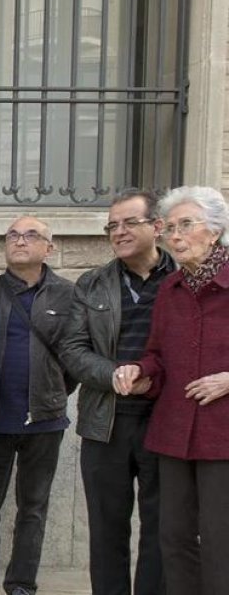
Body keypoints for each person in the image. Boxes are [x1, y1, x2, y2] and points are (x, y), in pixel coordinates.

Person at [114, 185, 229, 595]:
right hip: (174, 432)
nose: (175, 236)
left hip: (223, 436)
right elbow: (157, 354)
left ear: (214, 232)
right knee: (174, 539)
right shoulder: (170, 289)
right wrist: (140, 371)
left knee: (220, 544)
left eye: (186, 225)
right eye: (170, 228)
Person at [59, 188, 169, 595]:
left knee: (163, 528)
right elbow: (72, 348)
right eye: (112, 225)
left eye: (129, 223)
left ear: (157, 227)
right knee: (106, 529)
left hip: (164, 421)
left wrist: (151, 377)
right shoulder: (93, 283)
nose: (118, 232)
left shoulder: (181, 280)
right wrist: (114, 374)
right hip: (106, 421)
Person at [0, 217, 75, 595]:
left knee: (34, 507)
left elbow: (74, 358)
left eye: (30, 236)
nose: (20, 241)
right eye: (12, 235)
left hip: (45, 421)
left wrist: (53, 393)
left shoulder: (68, 295)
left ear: (49, 248)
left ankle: (21, 583)